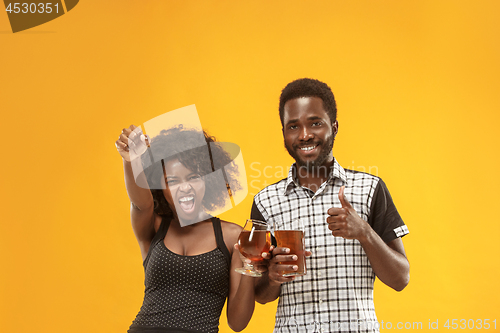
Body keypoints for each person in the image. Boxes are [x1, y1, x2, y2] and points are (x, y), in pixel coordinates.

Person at [251, 78, 410, 333]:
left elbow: (401, 279)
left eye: (315, 123)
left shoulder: (370, 189)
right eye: (293, 126)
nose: (305, 135)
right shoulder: (266, 202)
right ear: (283, 133)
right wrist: (272, 276)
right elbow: (260, 295)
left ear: (334, 127)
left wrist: (364, 232)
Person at [115, 125, 256, 333]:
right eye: (172, 181)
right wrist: (130, 159)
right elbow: (140, 204)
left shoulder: (232, 236)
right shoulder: (154, 225)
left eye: (193, 177)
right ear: (159, 187)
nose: (185, 187)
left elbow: (237, 323)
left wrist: (252, 267)